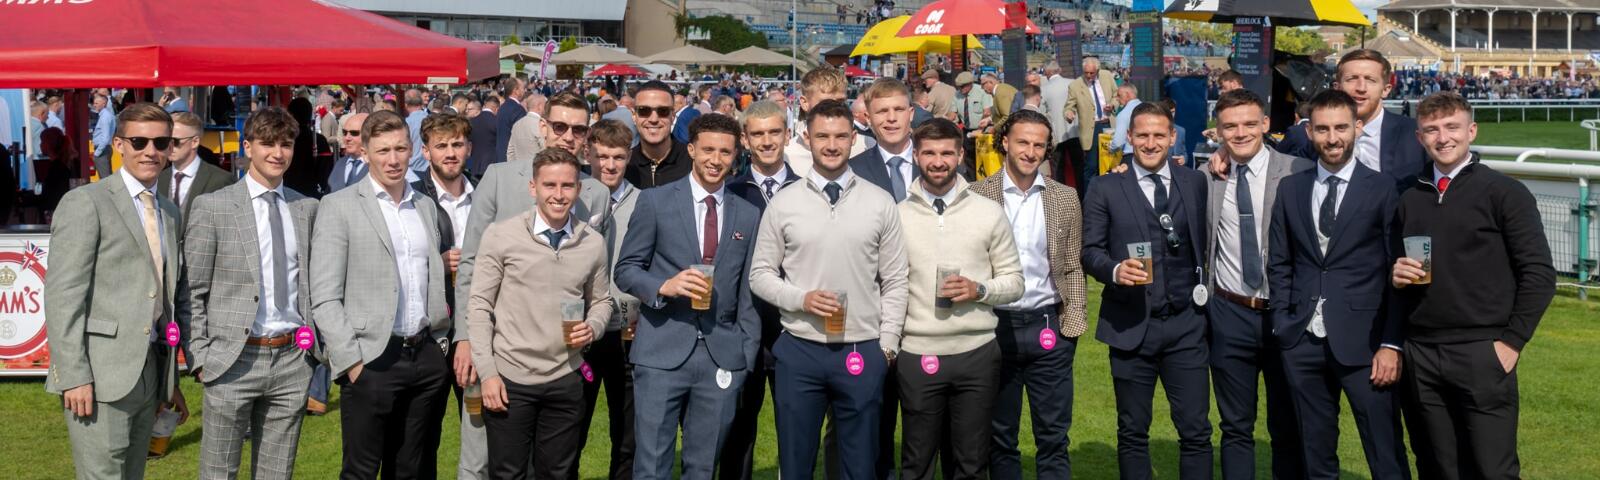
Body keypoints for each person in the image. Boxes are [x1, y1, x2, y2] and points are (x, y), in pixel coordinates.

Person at [1391, 92, 1556, 480]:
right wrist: (1395, 272)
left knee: (1492, 468)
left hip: (1483, 350)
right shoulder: (1407, 194)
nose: (1443, 137)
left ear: (1471, 131)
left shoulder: (1504, 192)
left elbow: (1539, 274)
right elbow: (1393, 266)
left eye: (1452, 127)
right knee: (1436, 466)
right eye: (1432, 129)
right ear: (1419, 137)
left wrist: (1511, 343)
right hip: (1422, 351)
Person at [453, 90, 612, 478]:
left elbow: (595, 283)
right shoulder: (499, 177)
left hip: (561, 362)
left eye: (578, 129)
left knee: (556, 465)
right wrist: (466, 338)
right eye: (559, 126)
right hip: (502, 350)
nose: (568, 136)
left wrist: (591, 327)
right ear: (543, 127)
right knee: (482, 457)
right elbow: (472, 263)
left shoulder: (595, 193)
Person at [749, 99, 909, 480]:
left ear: (855, 139)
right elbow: (760, 274)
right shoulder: (784, 203)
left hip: (862, 349)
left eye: (841, 136)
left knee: (859, 466)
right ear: (807, 138)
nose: (832, 145)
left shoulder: (879, 201)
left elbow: (896, 278)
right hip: (800, 349)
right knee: (796, 463)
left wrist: (886, 346)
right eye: (823, 136)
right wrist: (800, 298)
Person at [1264, 88, 1408, 480]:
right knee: (1316, 452)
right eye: (1323, 129)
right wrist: (1283, 323)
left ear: (1358, 127)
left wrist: (1390, 343)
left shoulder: (1383, 189)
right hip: (1302, 340)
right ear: (1309, 131)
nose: (1332, 138)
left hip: (1365, 343)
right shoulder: (1292, 188)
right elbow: (1280, 261)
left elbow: (1397, 272)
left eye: (1341, 127)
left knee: (1384, 451)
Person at [615, 114, 762, 480]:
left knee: (702, 467)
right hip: (661, 352)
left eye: (725, 152)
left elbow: (748, 294)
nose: (716, 159)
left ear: (735, 156)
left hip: (721, 357)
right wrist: (663, 286)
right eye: (708, 149)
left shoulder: (748, 214)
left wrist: (743, 355)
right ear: (692, 150)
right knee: (651, 465)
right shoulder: (655, 201)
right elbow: (626, 269)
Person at [49, 101, 189, 478]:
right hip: (99, 371)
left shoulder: (169, 211)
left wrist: (168, 378)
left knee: (133, 473)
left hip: (151, 369)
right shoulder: (85, 202)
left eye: (161, 143)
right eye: (139, 141)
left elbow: (165, 297)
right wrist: (74, 374)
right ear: (118, 143)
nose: (151, 151)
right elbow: (63, 297)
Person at [179, 106, 320, 480]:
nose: (277, 153)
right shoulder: (214, 207)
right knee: (218, 471)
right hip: (231, 359)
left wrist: (313, 352)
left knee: (277, 473)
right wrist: (200, 356)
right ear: (248, 147)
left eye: (286, 144)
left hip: (291, 358)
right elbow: (192, 289)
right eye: (268, 143)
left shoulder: (307, 208)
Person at [311, 110, 452, 479]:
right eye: (383, 150)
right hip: (371, 357)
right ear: (366, 154)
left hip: (424, 354)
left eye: (400, 149)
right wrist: (352, 361)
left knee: (411, 468)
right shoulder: (338, 206)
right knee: (360, 470)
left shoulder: (424, 205)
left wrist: (439, 346)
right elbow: (324, 296)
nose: (393, 159)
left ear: (411, 151)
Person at [1082, 102, 1213, 480]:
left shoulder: (1195, 182)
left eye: (1159, 135)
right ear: (1129, 138)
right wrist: (1114, 269)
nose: (1151, 143)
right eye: (1142, 135)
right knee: (1133, 431)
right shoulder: (1105, 186)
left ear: (1173, 138)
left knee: (1196, 431)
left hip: (1186, 326)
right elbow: (1089, 250)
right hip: (1130, 326)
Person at [896, 118, 1025, 479]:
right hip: (918, 352)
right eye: (930, 153)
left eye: (947, 153)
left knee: (971, 462)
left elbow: (1015, 281)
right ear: (917, 156)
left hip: (977, 352)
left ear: (960, 156)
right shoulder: (897, 215)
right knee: (917, 462)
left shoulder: (988, 212)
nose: (938, 161)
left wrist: (980, 290)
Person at [970, 109, 1088, 480]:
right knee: (999, 436)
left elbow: (1071, 264)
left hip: (1048, 327)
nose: (1030, 151)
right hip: (995, 327)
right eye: (1022, 142)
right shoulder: (976, 195)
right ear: (1005, 142)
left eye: (1039, 145)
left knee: (1053, 437)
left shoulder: (1065, 198)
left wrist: (1072, 324)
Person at [1202, 89, 1312, 480]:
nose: (1241, 132)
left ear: (1266, 125)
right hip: (1230, 313)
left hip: (1284, 314)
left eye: (1250, 123)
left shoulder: (1299, 172)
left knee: (1288, 424)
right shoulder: (1207, 177)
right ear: (1218, 132)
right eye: (1230, 126)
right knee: (1235, 427)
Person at [718, 100, 802, 480]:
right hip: (743, 330)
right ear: (745, 140)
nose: (767, 141)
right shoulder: (730, 192)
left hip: (794, 329)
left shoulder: (807, 190)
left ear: (787, 135)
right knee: (738, 428)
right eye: (757, 134)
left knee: (796, 427)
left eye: (774, 132)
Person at [406, 112, 484, 479]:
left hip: (481, 329)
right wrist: (437, 263)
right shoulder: (410, 198)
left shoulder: (486, 193)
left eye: (457, 144)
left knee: (482, 431)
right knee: (421, 437)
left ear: (468, 147)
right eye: (441, 146)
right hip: (430, 331)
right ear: (426, 151)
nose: (450, 153)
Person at [1234, 50, 1425, 188]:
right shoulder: (1306, 134)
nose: (1361, 87)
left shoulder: (1415, 135)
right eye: (1352, 79)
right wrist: (1229, 153)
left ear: (1386, 90)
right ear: (1337, 87)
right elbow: (1271, 165)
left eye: (1370, 79)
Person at [588, 119, 641, 480]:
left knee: (628, 437)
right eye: (602, 156)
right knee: (567, 431)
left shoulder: (645, 202)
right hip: (582, 333)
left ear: (628, 158)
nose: (609, 165)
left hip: (627, 333)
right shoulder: (569, 196)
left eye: (618, 157)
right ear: (588, 154)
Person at [783, 68, 870, 177]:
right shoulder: (786, 155)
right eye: (825, 102)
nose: (833, 108)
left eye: (840, 102)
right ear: (804, 103)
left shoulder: (866, 146)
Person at [849, 78, 919, 202]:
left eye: (899, 110)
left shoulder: (936, 162)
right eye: (882, 111)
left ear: (911, 113)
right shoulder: (853, 170)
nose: (891, 118)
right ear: (868, 118)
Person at [159, 112, 236, 219]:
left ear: (194, 142)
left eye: (175, 142)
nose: (169, 147)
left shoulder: (221, 180)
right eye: (166, 141)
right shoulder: (159, 178)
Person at [1065, 57, 1120, 191]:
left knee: (1112, 163)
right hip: (1092, 129)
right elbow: (1069, 106)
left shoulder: (1107, 76)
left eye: (1092, 73)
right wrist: (1069, 114)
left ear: (1098, 71)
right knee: (1091, 166)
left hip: (1109, 125)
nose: (1089, 76)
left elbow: (1116, 94)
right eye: (1086, 73)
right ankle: (1090, 199)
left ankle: (1112, 194)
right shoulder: (1075, 85)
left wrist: (1112, 105)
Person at [627, 81, 694, 188]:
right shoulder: (624, 165)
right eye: (644, 110)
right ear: (634, 116)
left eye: (663, 111)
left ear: (673, 116)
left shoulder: (693, 163)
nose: (653, 119)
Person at [326, 112, 371, 195]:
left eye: (354, 133)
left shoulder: (376, 166)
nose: (347, 138)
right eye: (345, 133)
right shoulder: (340, 164)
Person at [494, 78, 529, 167]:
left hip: (501, 155)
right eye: (523, 88)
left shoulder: (503, 107)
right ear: (516, 90)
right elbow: (522, 137)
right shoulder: (517, 109)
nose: (525, 90)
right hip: (512, 158)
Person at [505, 93, 549, 165]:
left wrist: (513, 169)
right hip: (538, 170)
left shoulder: (517, 124)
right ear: (540, 106)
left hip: (519, 170)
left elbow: (510, 152)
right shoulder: (541, 124)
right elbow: (545, 149)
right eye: (545, 105)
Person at [1107, 85, 1143, 162]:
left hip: (1131, 156)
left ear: (1128, 95)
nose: (1116, 98)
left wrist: (1110, 148)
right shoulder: (1148, 109)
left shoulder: (1123, 114)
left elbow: (1118, 142)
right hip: (1148, 154)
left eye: (1119, 95)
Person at [467, 97, 500, 177]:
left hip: (474, 164)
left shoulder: (472, 122)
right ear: (497, 109)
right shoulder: (497, 121)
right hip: (492, 164)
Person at [90, 93, 117, 178]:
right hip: (104, 149)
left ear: (104, 103)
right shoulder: (105, 115)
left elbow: (105, 137)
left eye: (97, 103)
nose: (94, 105)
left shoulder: (105, 117)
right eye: (94, 103)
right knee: (107, 178)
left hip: (102, 150)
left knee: (105, 179)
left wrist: (97, 153)